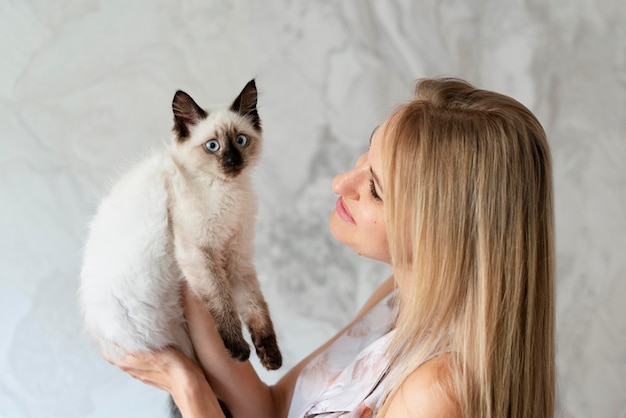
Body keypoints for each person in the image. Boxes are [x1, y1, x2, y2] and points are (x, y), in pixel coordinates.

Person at [104, 77, 556, 418]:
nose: (343, 183)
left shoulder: (436, 394)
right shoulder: (397, 301)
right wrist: (194, 266)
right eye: (367, 154)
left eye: (376, 189)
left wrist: (189, 391)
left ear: (444, 229)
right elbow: (275, 408)